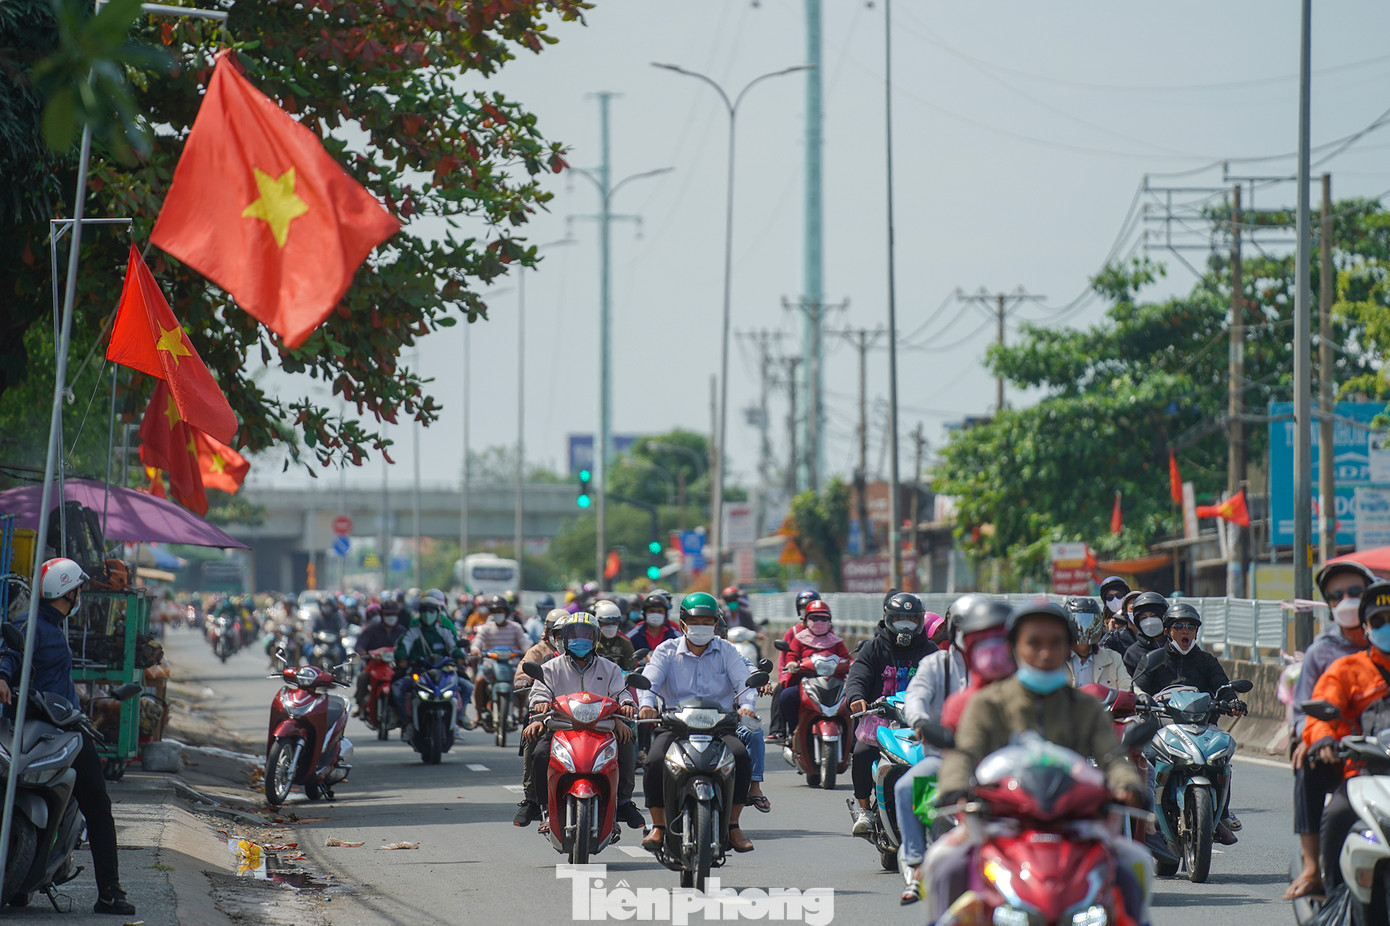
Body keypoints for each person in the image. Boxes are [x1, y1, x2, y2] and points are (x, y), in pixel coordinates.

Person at [924, 599, 1148, 925]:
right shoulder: (988, 704)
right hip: (998, 820)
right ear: (1015, 647)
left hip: (1074, 822)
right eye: (1034, 643)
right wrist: (955, 787)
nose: (1045, 654)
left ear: (1068, 647)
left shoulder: (1084, 707)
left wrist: (1126, 784)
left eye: (1055, 643)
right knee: (943, 861)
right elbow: (963, 754)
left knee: (1134, 862)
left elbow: (1112, 757)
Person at [0, 559, 135, 916]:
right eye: (77, 589)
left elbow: (46, 673)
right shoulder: (33, 626)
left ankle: (103, 889)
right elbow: (11, 655)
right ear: (68, 591)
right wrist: (1, 675)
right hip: (45, 729)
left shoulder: (52, 625)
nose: (80, 594)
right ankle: (110, 892)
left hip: (62, 725)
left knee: (97, 805)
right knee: (100, 809)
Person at [896, 594, 1001, 904]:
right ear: (955, 631)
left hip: (996, 763)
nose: (979, 637)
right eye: (971, 629)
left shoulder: (1004, 665)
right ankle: (917, 865)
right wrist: (921, 722)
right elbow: (916, 697)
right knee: (905, 788)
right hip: (945, 757)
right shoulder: (935, 663)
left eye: (986, 630)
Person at [638, 593, 758, 853]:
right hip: (675, 725)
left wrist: (747, 706)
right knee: (654, 760)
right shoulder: (666, 651)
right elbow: (650, 681)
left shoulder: (727, 651)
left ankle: (733, 825)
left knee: (741, 757)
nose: (701, 626)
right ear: (682, 623)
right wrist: (647, 704)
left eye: (707, 621)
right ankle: (658, 825)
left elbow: (744, 683)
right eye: (695, 621)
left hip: (719, 726)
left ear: (716, 624)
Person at [1284, 560, 1374, 900]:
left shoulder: (1381, 649)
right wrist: (1315, 737)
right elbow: (1308, 706)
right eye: (1337, 595)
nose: (1347, 601)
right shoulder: (1328, 655)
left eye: (1355, 592)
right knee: (1306, 762)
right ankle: (1312, 867)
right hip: (1339, 750)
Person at [515, 615, 645, 828]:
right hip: (560, 727)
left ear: (595, 639)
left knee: (627, 741)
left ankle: (624, 801)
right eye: (573, 635)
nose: (580, 639)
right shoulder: (551, 667)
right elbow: (540, 692)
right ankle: (537, 803)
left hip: (602, 727)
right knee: (537, 748)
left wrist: (626, 705)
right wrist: (539, 708)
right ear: (564, 638)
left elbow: (622, 692)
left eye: (586, 635)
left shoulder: (609, 668)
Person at [1303, 578, 1390, 894]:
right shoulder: (1346, 669)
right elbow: (1319, 713)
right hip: (1362, 773)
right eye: (1378, 621)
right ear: (1366, 629)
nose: (1386, 626)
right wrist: (1325, 740)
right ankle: (1331, 889)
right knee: (1338, 813)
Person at [1131, 600, 1242, 844]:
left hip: (1202, 728)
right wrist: (1142, 699)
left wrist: (1232, 702)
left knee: (1221, 760)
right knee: (1143, 761)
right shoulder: (1153, 659)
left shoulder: (1206, 661)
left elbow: (1223, 687)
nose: (1186, 631)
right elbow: (1138, 686)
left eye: (1191, 627)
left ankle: (1221, 813)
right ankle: (1145, 816)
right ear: (1168, 629)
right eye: (1179, 626)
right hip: (1163, 727)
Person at [844, 592, 937, 838]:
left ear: (920, 622)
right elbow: (857, 677)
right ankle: (864, 809)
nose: (905, 626)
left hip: (921, 726)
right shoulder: (872, 648)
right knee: (862, 753)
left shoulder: (931, 651)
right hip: (879, 723)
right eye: (899, 620)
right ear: (887, 619)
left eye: (911, 620)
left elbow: (944, 682)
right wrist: (856, 698)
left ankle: (939, 810)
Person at [393, 599, 468, 735]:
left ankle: (457, 720)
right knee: (397, 687)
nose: (428, 614)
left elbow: (454, 647)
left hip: (443, 672)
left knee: (467, 686)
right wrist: (402, 658)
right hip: (418, 672)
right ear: (420, 613)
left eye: (432, 611)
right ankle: (407, 723)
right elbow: (403, 646)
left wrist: (459, 657)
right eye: (424, 611)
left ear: (438, 613)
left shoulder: (444, 632)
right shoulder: (413, 632)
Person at [777, 600, 852, 731]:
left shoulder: (835, 640)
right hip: (807, 684)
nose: (819, 622)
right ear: (806, 620)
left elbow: (847, 658)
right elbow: (791, 656)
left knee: (854, 699)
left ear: (829, 621)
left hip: (835, 684)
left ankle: (851, 737)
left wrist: (853, 664)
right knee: (787, 696)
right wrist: (792, 664)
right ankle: (795, 731)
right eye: (814, 618)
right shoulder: (799, 639)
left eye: (823, 618)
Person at [769, 589, 821, 744]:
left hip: (821, 677)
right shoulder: (792, 633)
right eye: (805, 609)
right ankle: (779, 731)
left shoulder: (826, 631)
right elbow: (783, 662)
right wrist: (786, 680)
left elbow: (838, 653)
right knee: (781, 692)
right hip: (797, 677)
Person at [471, 594, 529, 731]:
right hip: (490, 664)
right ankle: (478, 714)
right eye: (495, 612)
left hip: (511, 663)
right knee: (479, 680)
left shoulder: (515, 627)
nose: (498, 614)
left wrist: (527, 651)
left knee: (524, 681)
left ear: (506, 612)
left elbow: (525, 644)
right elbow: (477, 642)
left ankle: (521, 712)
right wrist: (475, 650)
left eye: (500, 611)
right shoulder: (486, 628)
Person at [1065, 596, 1131, 689]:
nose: (1084, 630)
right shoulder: (1054, 660)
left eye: (1089, 622)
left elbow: (1128, 685)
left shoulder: (1113, 658)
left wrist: (1140, 695)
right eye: (1079, 623)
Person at [352, 603, 407, 715]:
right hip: (375, 665)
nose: (391, 617)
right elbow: (360, 644)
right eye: (388, 614)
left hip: (396, 666)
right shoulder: (371, 630)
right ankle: (361, 705)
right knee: (362, 677)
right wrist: (362, 651)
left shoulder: (402, 631)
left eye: (393, 614)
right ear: (382, 615)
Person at [1122, 591, 1168, 676]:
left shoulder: (1177, 647)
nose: (1149, 622)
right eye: (1143, 618)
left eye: (1154, 616)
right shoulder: (1133, 653)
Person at [593, 599, 636, 670]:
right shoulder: (592, 642)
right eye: (606, 623)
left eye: (614, 623)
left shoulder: (625, 643)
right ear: (598, 623)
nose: (610, 626)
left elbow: (630, 668)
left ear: (619, 623)